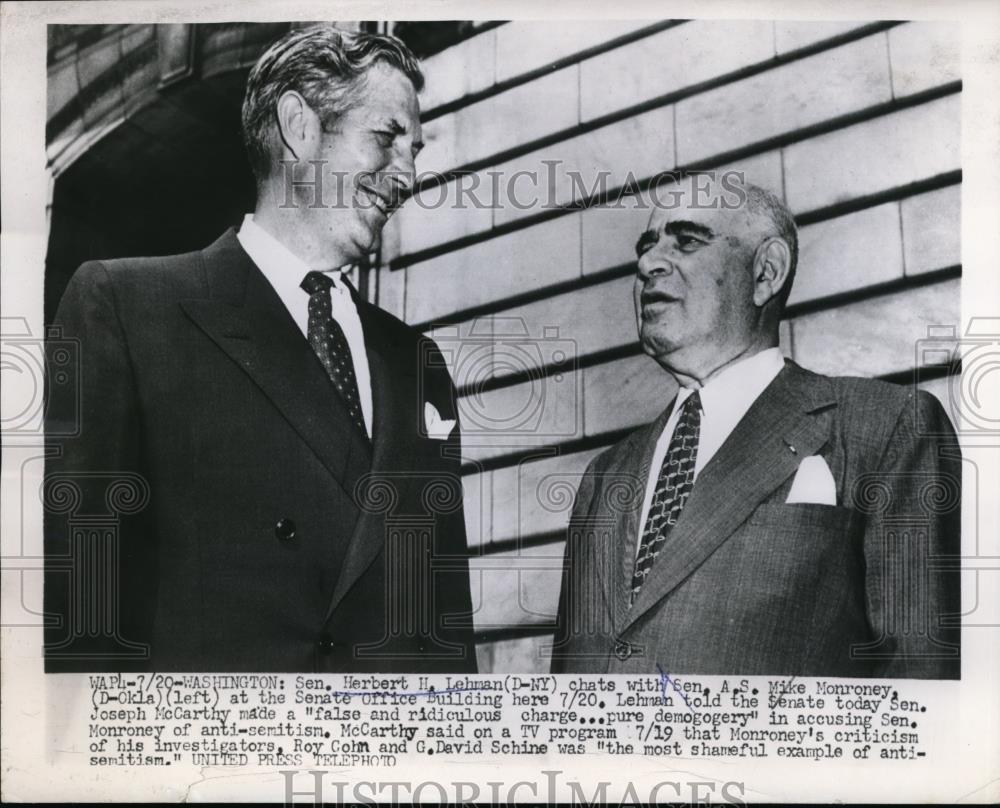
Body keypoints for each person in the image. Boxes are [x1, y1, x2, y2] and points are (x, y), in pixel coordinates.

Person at [44, 27, 477, 673]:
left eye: (415, 149)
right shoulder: (128, 307)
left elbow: (444, 627)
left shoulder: (417, 363)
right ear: (299, 126)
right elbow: (78, 597)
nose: (408, 175)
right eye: (386, 139)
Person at [551, 174, 961, 678]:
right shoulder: (604, 477)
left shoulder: (886, 427)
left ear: (766, 272)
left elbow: (920, 679)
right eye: (647, 246)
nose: (647, 263)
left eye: (687, 241)